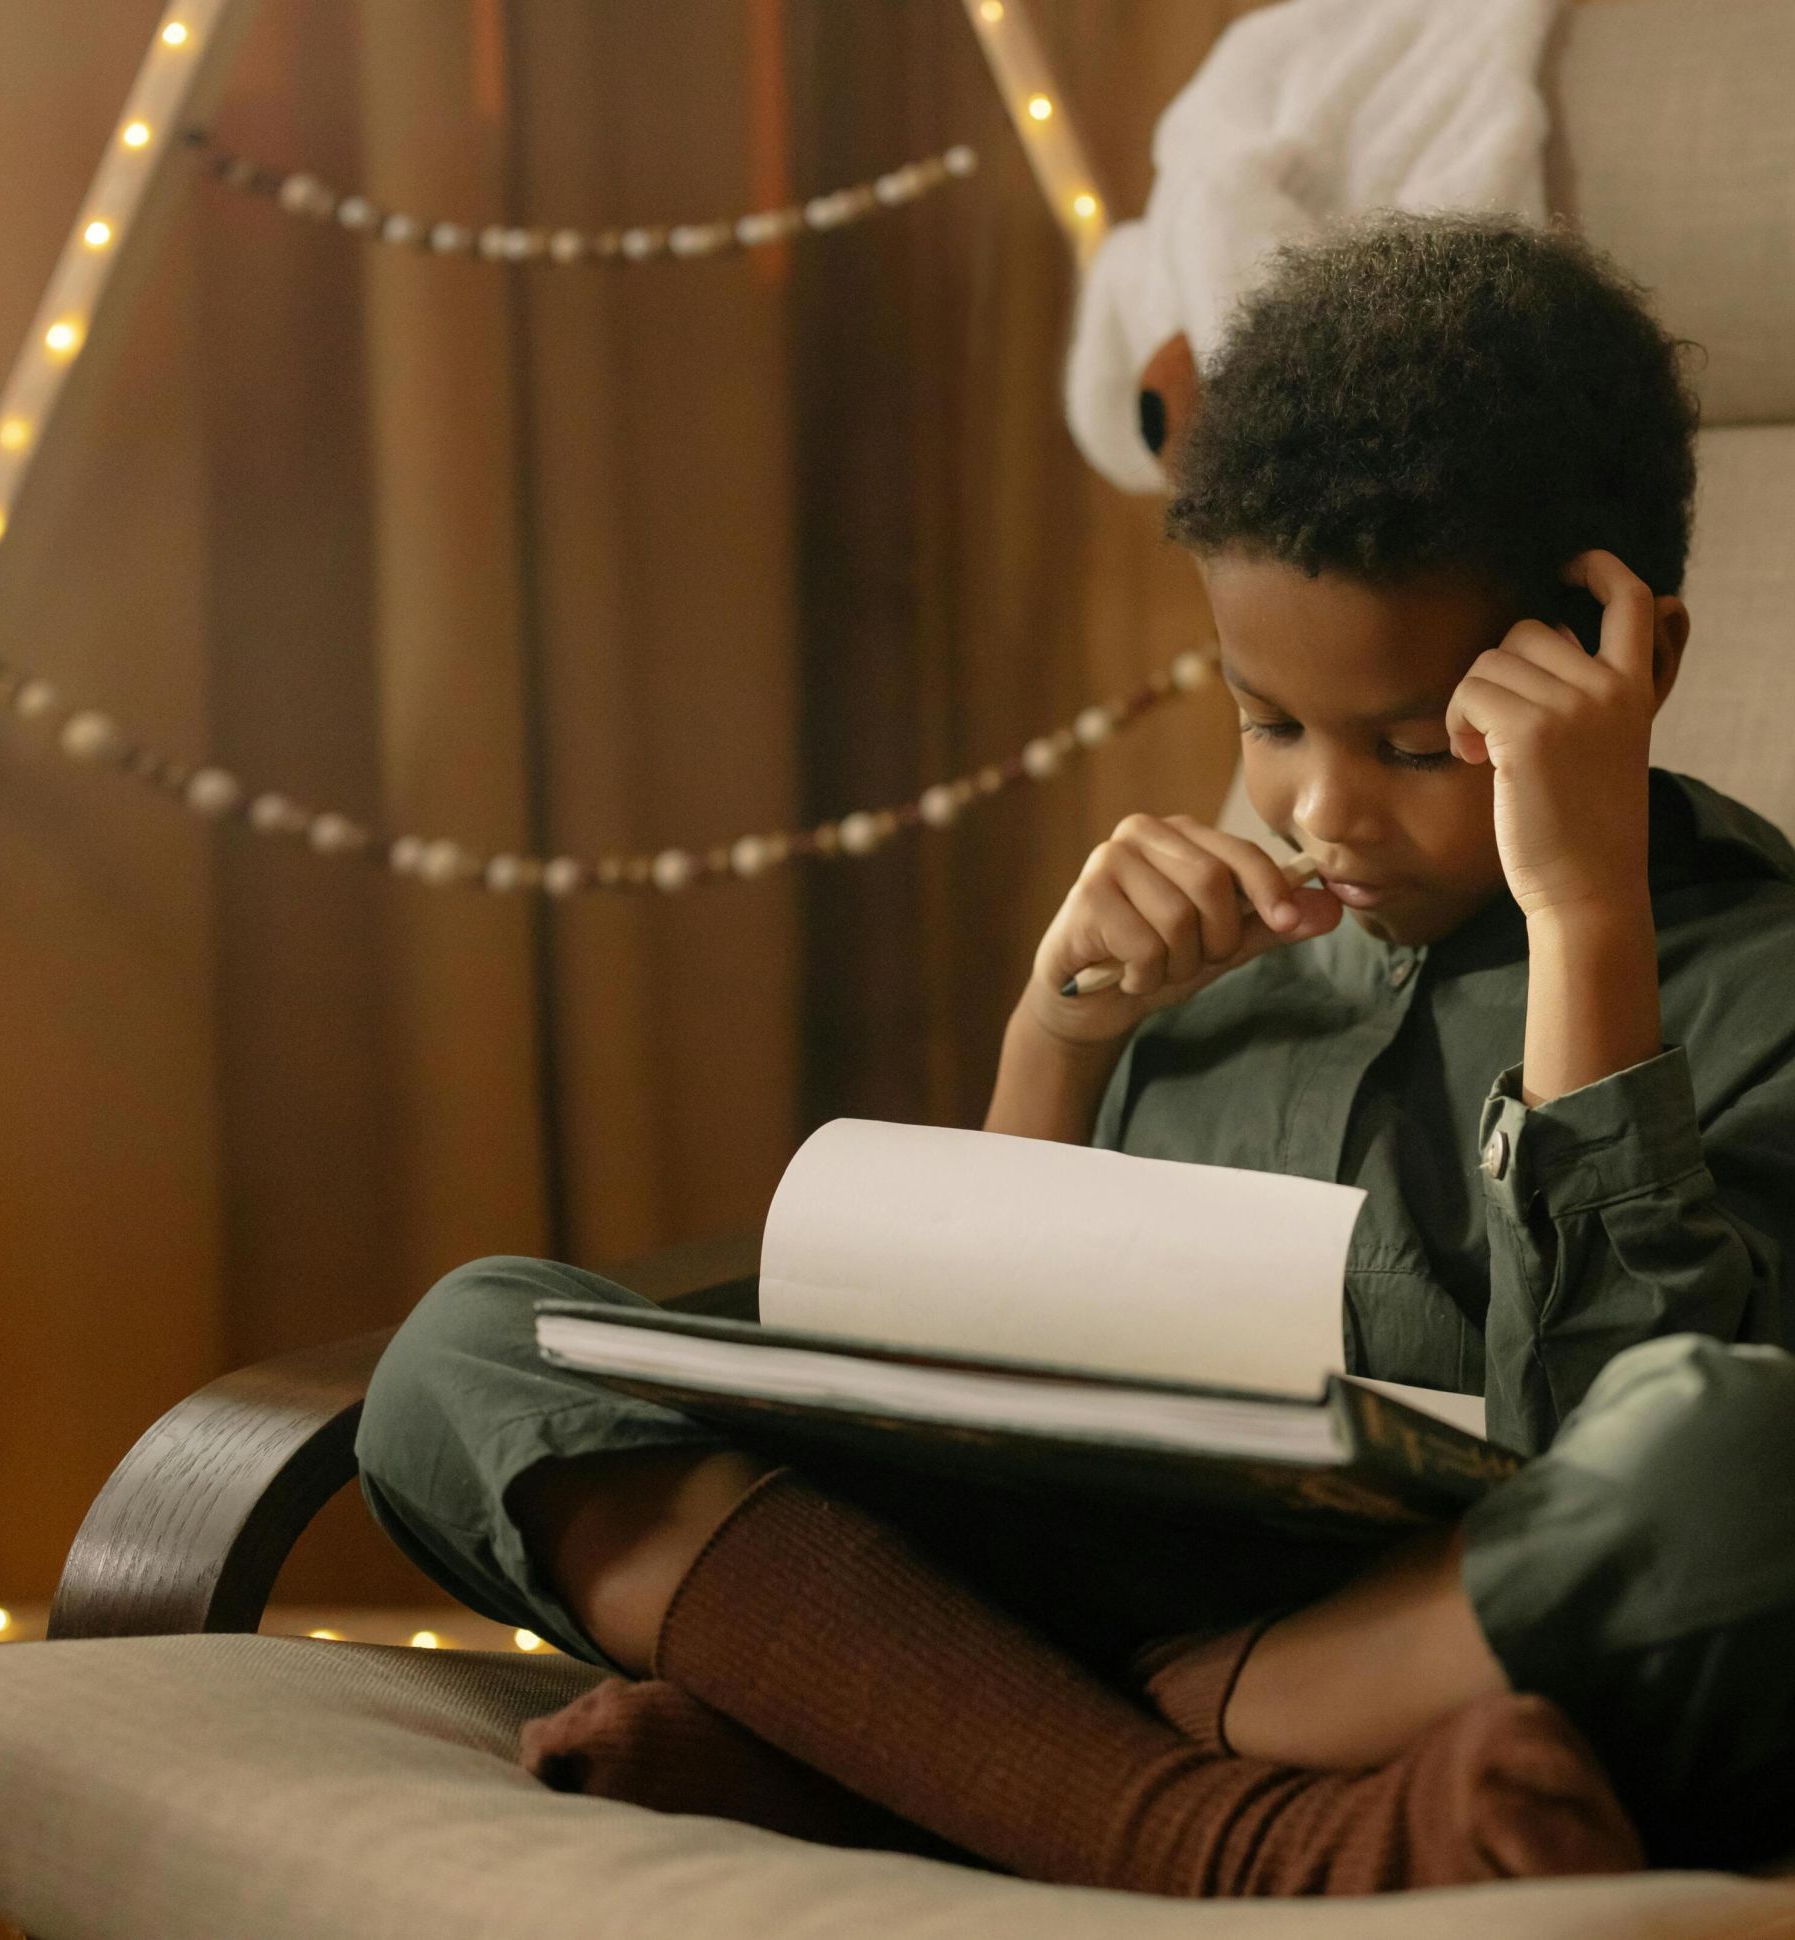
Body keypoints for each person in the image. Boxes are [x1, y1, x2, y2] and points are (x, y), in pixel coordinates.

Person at [352, 213, 1795, 1894]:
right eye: (1267, 723)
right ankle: (1227, 1830)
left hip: (1475, 1640)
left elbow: (1612, 1450)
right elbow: (979, 1415)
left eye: (1415, 744)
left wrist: (1583, 919)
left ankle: (924, 1755)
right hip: (1130, 1609)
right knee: (469, 1352)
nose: (1321, 809)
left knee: (1737, 1458)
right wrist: (1059, 1039)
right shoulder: (1218, 956)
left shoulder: (1757, 981)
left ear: (1630, 667)